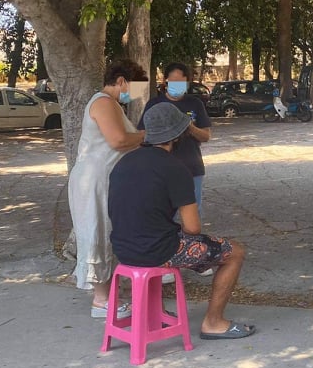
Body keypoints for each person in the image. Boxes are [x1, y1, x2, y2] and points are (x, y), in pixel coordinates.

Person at [108, 102, 255, 339]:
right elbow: (193, 228)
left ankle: (153, 313)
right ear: (177, 135)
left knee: (165, 237)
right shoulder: (175, 168)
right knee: (235, 252)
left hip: (123, 248)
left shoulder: (124, 162)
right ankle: (214, 322)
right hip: (157, 250)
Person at [68, 58, 147, 318]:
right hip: (94, 180)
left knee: (107, 233)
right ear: (121, 81)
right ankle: (101, 301)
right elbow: (119, 140)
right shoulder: (103, 102)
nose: (134, 95)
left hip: (105, 179)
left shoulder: (112, 104)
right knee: (97, 233)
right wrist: (147, 135)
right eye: (134, 88)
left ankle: (109, 296)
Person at [138, 62, 212, 213]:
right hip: (161, 169)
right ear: (165, 81)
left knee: (192, 214)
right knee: (162, 213)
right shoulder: (154, 104)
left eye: (181, 83)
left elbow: (206, 136)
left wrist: (188, 126)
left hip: (191, 168)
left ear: (187, 83)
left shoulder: (195, 103)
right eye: (173, 82)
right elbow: (143, 136)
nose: (177, 86)